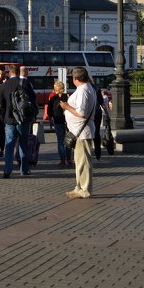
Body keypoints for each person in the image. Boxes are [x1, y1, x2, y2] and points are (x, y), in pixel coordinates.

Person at [59, 67, 96, 199]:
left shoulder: (83, 90)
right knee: (80, 162)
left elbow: (82, 113)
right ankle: (79, 187)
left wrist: (66, 107)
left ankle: (84, 189)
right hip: (80, 132)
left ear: (75, 79)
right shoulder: (87, 88)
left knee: (84, 162)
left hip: (82, 132)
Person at [0, 63, 37, 178]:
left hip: (9, 119)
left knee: (9, 145)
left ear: (10, 73)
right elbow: (33, 98)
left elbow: (1, 104)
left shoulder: (3, 86)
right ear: (18, 72)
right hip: (23, 119)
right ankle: (23, 169)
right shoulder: (25, 83)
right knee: (23, 144)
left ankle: (7, 170)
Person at [47, 80, 72, 167]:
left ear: (55, 89)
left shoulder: (53, 99)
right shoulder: (68, 97)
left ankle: (62, 160)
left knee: (60, 141)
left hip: (58, 121)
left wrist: (50, 121)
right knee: (69, 140)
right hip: (68, 121)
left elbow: (49, 112)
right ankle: (69, 159)